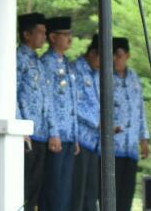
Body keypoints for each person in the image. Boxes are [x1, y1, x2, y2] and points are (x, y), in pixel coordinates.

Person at [41, 16, 78, 211]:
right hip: (55, 137)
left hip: (69, 135)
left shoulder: (67, 64)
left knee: (65, 190)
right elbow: (48, 100)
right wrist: (54, 131)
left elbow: (71, 102)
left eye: (70, 34)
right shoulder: (47, 63)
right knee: (54, 190)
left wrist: (76, 135)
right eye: (65, 35)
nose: (70, 39)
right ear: (53, 37)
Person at [17, 12, 50, 209]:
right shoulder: (18, 58)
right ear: (27, 34)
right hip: (26, 133)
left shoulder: (38, 61)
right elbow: (12, 93)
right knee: (23, 185)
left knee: (35, 189)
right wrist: (21, 128)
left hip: (41, 133)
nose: (44, 36)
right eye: (40, 32)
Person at [112, 37, 150, 211]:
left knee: (127, 194)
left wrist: (144, 138)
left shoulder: (134, 77)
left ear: (127, 55)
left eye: (119, 55)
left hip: (131, 146)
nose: (115, 59)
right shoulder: (105, 77)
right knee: (112, 193)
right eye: (113, 55)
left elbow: (140, 108)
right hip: (113, 147)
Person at [71, 35, 103, 211]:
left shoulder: (98, 74)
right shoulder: (75, 69)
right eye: (101, 58)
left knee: (92, 191)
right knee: (78, 190)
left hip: (94, 142)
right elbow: (75, 105)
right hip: (80, 139)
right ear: (92, 53)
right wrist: (98, 122)